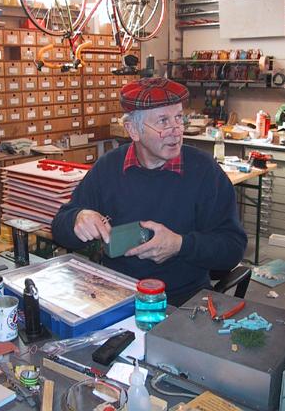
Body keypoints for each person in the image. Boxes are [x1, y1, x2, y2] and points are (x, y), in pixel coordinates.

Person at [52, 77, 247, 306]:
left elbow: (232, 249)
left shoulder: (204, 171)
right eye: (163, 121)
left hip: (183, 300)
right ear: (133, 129)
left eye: (178, 119)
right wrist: (78, 218)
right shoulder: (108, 168)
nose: (176, 132)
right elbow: (59, 228)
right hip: (118, 294)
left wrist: (180, 245)